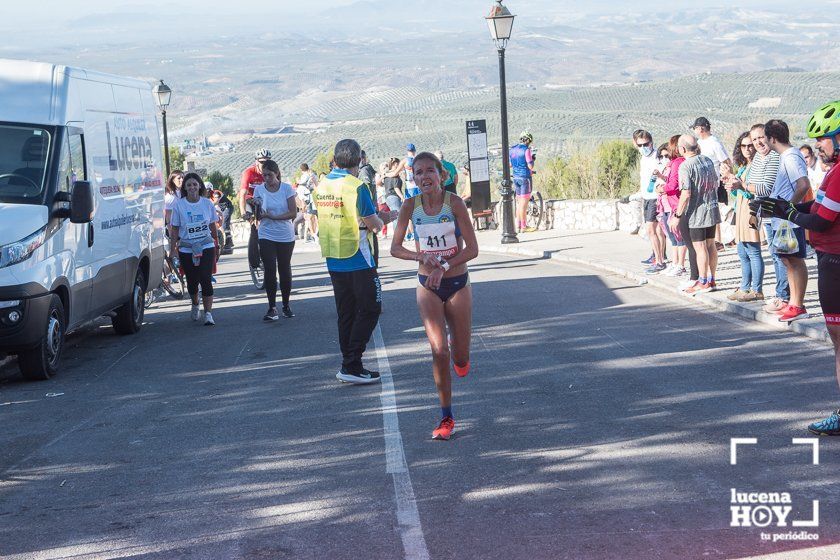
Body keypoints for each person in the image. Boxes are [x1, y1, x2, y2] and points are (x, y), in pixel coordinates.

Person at [750, 100, 840, 434]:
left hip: (834, 263)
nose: (818, 144)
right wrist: (786, 206)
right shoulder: (834, 170)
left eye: (824, 138)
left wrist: (785, 212)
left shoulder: (839, 172)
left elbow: (819, 221)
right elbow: (816, 206)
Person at [390, 152, 478, 440]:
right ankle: (446, 418)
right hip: (427, 285)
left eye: (430, 171)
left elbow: (472, 249)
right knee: (439, 350)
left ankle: (460, 356)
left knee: (460, 357)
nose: (424, 176)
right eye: (418, 172)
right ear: (412, 178)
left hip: (457, 283)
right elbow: (395, 248)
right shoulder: (409, 206)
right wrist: (421, 256)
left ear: (442, 176)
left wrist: (444, 265)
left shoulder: (454, 205)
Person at [314, 139, 394, 384]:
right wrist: (389, 217)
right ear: (359, 160)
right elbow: (373, 224)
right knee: (371, 308)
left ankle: (348, 364)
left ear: (336, 160)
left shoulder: (323, 185)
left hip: (333, 257)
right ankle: (352, 363)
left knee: (346, 312)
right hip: (358, 256)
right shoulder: (356, 186)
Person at [765, 119, 811, 322]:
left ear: (772, 138)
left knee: (795, 260)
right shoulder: (786, 156)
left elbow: (803, 185)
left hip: (789, 220)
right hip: (782, 219)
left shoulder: (791, 157)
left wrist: (789, 208)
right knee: (787, 260)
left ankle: (798, 305)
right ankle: (793, 303)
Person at [668, 134, 721, 295]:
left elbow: (686, 193)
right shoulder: (707, 160)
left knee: (700, 248)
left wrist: (677, 216)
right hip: (712, 208)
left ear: (682, 149)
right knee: (711, 245)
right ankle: (712, 279)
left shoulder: (686, 166)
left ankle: (703, 281)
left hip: (697, 213)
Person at [169, 173, 219, 326]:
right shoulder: (179, 205)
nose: (192, 187)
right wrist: (173, 250)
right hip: (187, 248)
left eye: (195, 184)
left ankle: (208, 313)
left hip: (206, 245)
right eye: (189, 185)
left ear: (199, 186)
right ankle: (195, 303)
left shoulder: (207, 204)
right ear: (184, 187)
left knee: (205, 278)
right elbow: (175, 229)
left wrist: (216, 245)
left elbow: (212, 226)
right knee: (192, 281)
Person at [252, 160, 297, 321]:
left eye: (269, 175)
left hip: (285, 234)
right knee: (270, 269)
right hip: (266, 233)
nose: (266, 178)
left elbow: (293, 212)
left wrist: (274, 216)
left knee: (284, 268)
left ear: (276, 173)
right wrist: (255, 205)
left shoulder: (286, 188)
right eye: (264, 175)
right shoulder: (259, 189)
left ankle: (286, 305)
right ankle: (272, 307)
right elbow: (257, 216)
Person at [723, 131, 764, 301]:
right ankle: (745, 287)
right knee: (742, 251)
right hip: (741, 210)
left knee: (753, 251)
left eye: (750, 145)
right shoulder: (744, 166)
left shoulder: (758, 165)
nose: (747, 149)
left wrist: (737, 183)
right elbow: (738, 192)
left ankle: (757, 290)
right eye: (743, 146)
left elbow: (754, 192)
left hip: (751, 210)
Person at [692, 117, 733, 250]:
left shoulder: (714, 143)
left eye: (695, 128)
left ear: (701, 128)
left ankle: (718, 240)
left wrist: (727, 178)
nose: (694, 130)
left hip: (712, 183)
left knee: (713, 211)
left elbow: (726, 161)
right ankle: (713, 240)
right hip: (701, 183)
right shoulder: (699, 142)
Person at [631, 129, 667, 271]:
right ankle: (658, 257)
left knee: (652, 230)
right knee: (657, 231)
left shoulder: (657, 156)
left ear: (651, 142)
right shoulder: (643, 158)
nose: (643, 148)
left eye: (646, 144)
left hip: (654, 198)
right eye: (640, 145)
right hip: (647, 196)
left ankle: (659, 261)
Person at [657, 137, 687, 277]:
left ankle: (680, 265)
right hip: (673, 203)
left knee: (679, 237)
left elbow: (673, 186)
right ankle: (676, 263)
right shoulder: (681, 162)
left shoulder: (677, 163)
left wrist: (662, 188)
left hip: (676, 204)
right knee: (675, 237)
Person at [239, 149, 271, 271]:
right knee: (254, 226)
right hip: (250, 200)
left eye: (268, 161)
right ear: (256, 161)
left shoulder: (273, 171)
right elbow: (242, 194)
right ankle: (254, 261)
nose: (265, 164)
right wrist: (243, 213)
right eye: (262, 162)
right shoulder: (249, 172)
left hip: (264, 200)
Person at [509, 131, 537, 233]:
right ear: (528, 140)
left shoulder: (512, 149)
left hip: (516, 178)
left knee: (519, 203)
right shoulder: (526, 150)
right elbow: (530, 166)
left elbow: (510, 165)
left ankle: (518, 226)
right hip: (525, 178)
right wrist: (532, 159)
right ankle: (524, 227)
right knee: (523, 205)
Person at [358, 150, 379, 264]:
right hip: (371, 206)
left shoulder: (364, 170)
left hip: (368, 207)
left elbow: (366, 189)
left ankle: (372, 264)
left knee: (370, 238)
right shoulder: (367, 169)